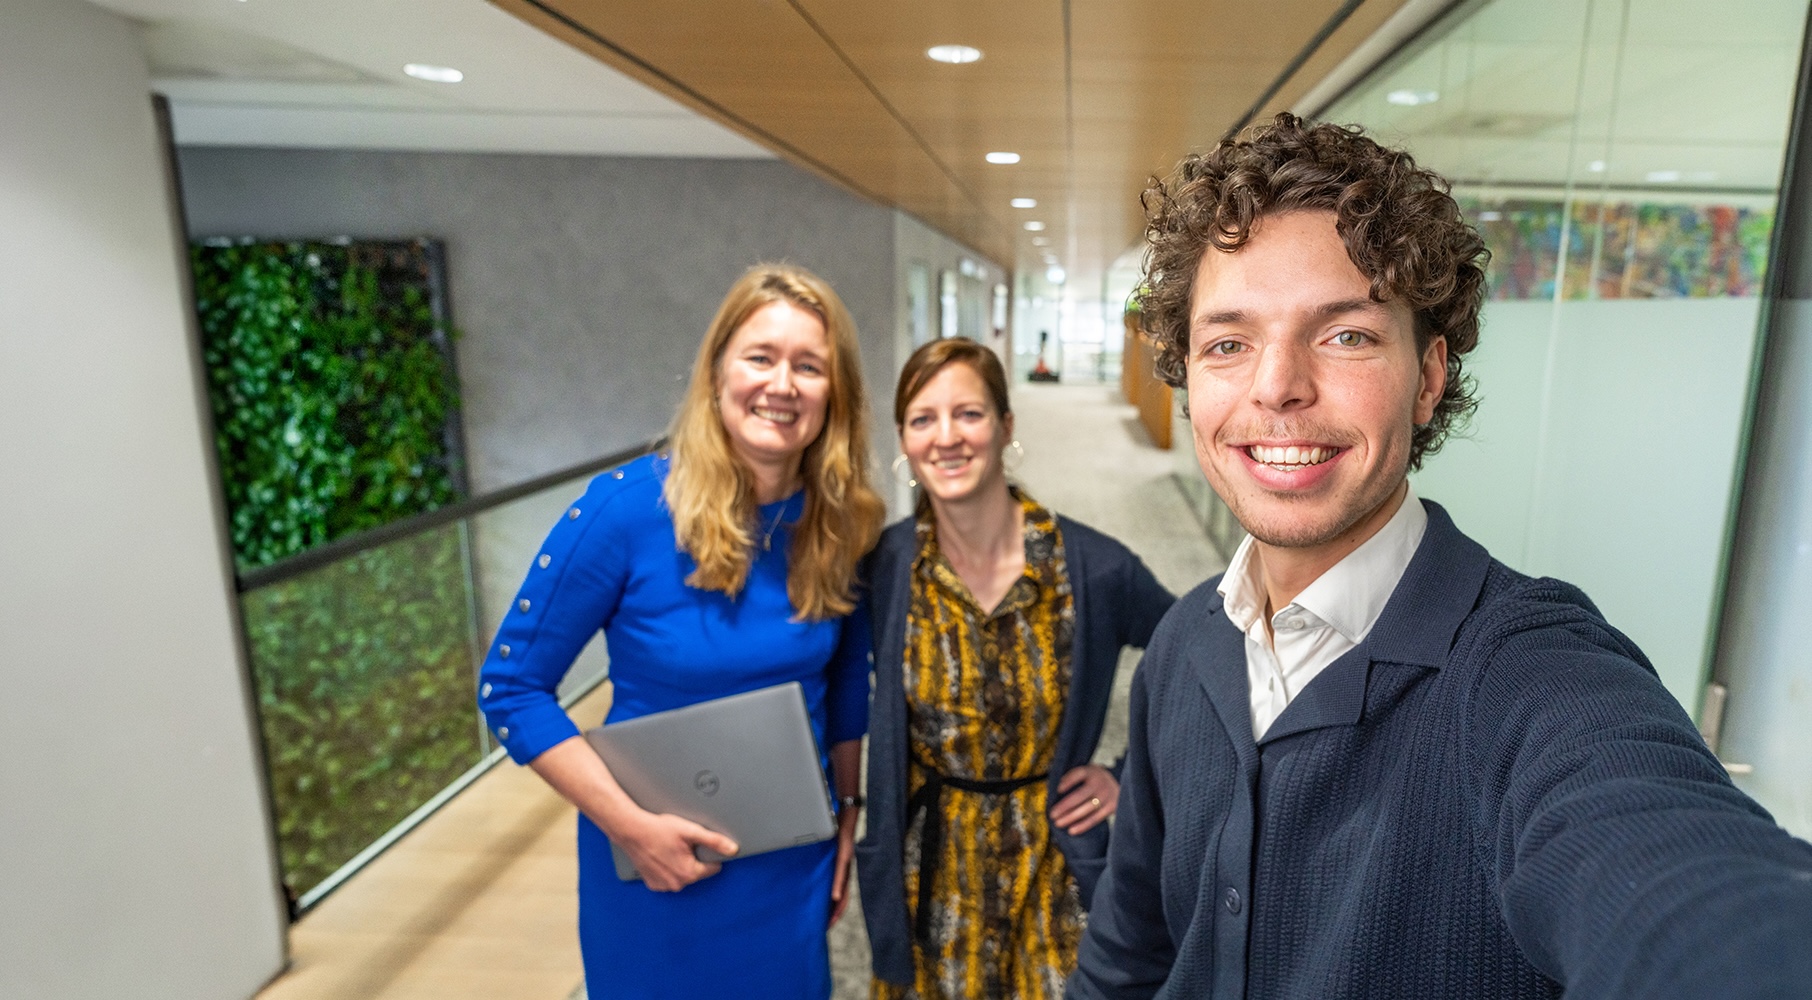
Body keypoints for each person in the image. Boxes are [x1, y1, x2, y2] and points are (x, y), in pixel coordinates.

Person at [1067, 114, 1812, 999]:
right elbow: (1126, 957)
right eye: (1229, 343)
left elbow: (1678, 879)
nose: (1277, 386)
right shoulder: (1185, 645)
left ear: (1427, 379)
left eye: (1345, 334)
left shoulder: (1529, 673)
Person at [477, 264, 885, 999]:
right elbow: (511, 690)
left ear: (836, 393)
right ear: (718, 370)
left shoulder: (841, 522)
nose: (782, 384)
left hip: (789, 859)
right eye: (760, 357)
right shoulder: (623, 512)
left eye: (809, 366)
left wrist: (849, 817)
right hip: (652, 863)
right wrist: (630, 827)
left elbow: (848, 681)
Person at [858, 337, 1175, 999]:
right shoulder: (887, 570)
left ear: (1006, 426)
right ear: (904, 440)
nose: (946, 437)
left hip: (1053, 858)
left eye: (968, 414)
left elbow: (1195, 658)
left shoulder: (1093, 569)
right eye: (923, 419)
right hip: (932, 866)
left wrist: (1127, 776)